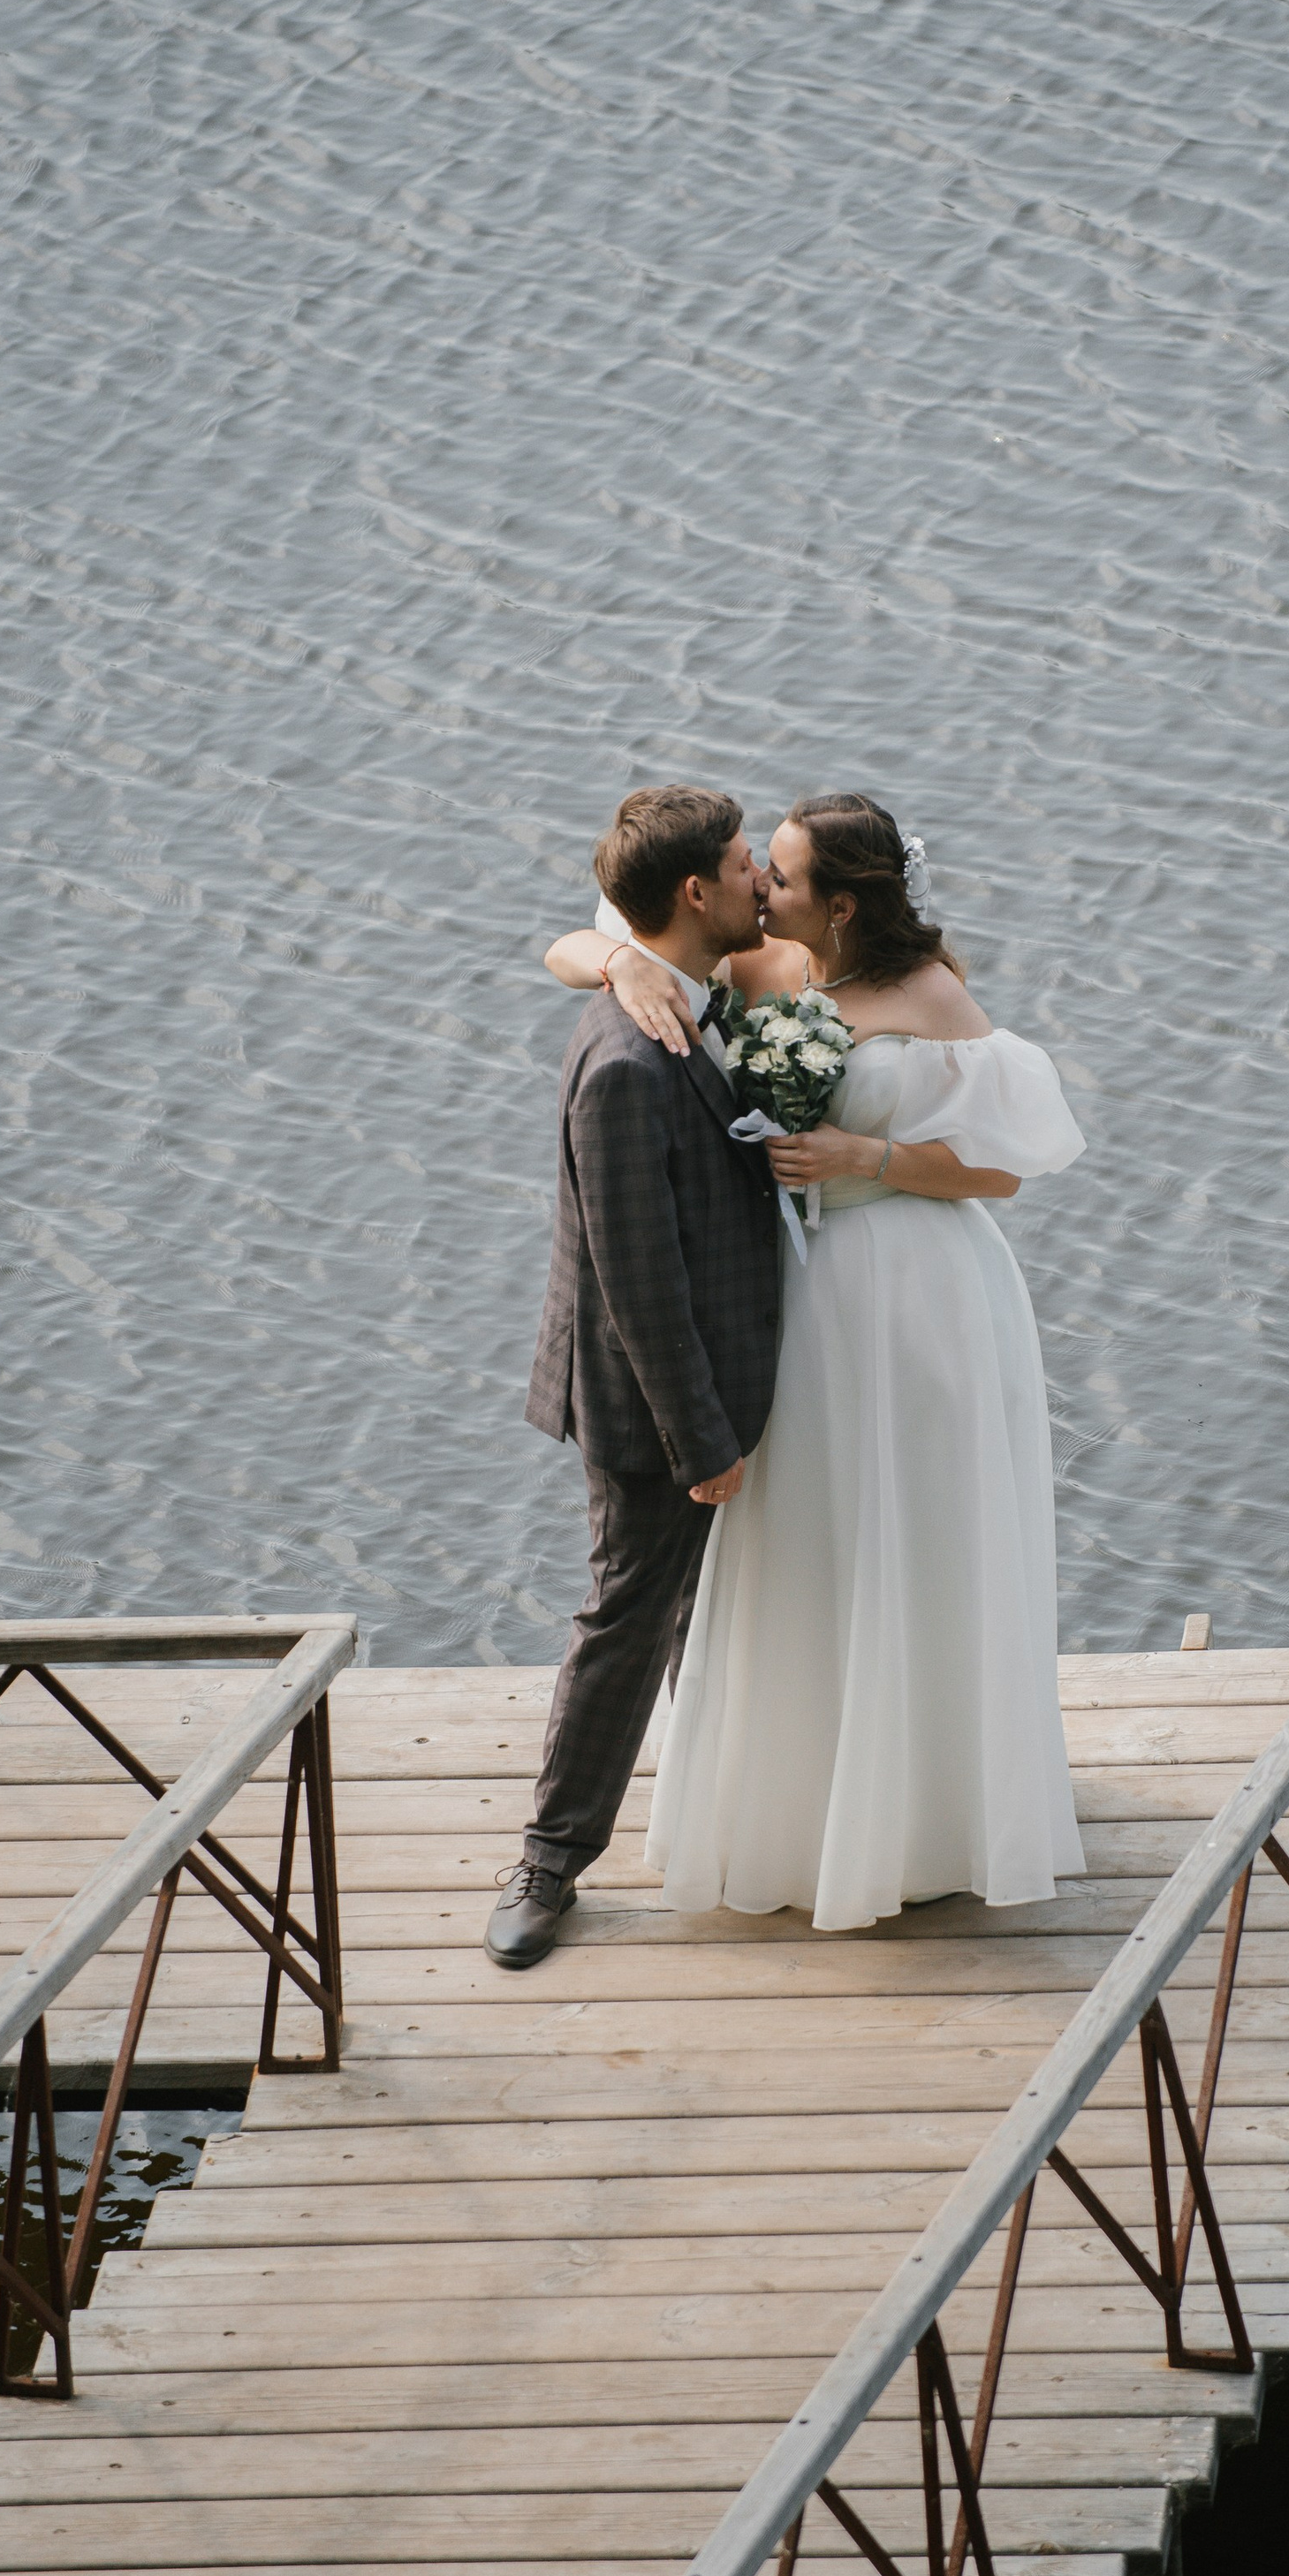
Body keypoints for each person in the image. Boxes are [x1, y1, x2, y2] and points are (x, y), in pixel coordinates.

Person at [542, 791, 1086, 1930]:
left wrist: (869, 1153)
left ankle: (931, 1807)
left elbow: (1003, 1172)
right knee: (811, 1544)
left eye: (781, 876)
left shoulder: (930, 997)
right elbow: (584, 932)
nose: (763, 888)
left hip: (922, 1290)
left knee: (922, 1539)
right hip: (805, 1293)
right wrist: (616, 966)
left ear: (840, 902)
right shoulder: (758, 964)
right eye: (758, 870)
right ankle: (812, 1801)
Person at [493, 786, 782, 1969]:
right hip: (656, 1407)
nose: (762, 876)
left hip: (727, 1380)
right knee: (626, 1615)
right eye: (743, 861)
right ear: (693, 893)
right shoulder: (625, 1060)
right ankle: (548, 1863)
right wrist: (701, 1441)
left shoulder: (680, 991)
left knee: (699, 1616)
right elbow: (637, 1281)